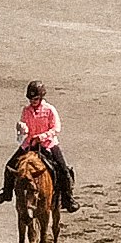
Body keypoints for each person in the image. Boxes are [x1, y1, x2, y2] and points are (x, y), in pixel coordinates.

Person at [15, 80, 77, 211]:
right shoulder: (26, 111)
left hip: (48, 144)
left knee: (63, 170)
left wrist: (42, 137)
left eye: (35, 99)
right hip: (30, 144)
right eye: (30, 99)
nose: (33, 101)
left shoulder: (50, 110)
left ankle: (68, 198)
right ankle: (6, 191)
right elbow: (24, 125)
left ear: (41, 97)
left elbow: (56, 128)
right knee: (10, 166)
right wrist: (22, 128)